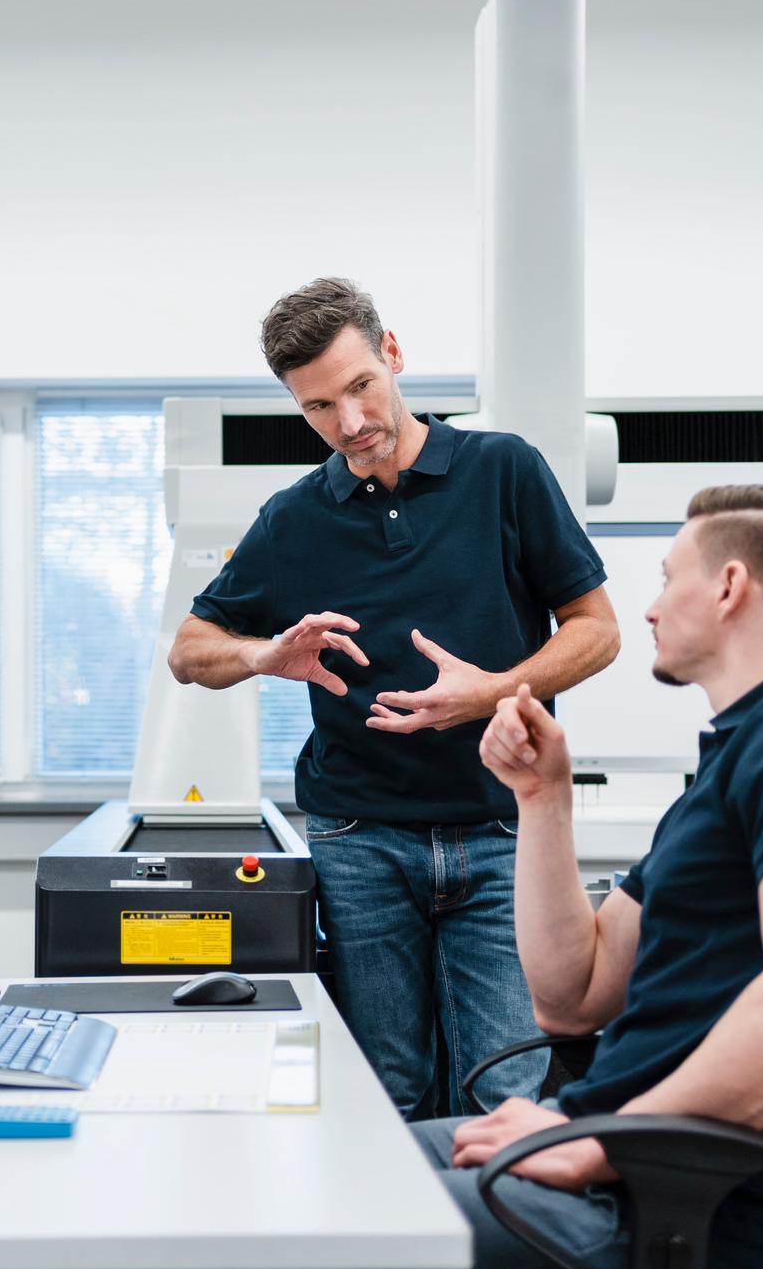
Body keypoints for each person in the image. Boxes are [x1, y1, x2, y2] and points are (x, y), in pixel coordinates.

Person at [167, 276, 619, 1117]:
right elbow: (189, 652)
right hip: (359, 841)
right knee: (384, 1096)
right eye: (318, 408)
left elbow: (597, 629)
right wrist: (267, 654)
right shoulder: (292, 518)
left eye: (361, 387)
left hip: (499, 832)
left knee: (506, 1095)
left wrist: (494, 690)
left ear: (394, 355)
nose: (348, 424)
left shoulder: (503, 471)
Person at [414, 483, 763, 1269]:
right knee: (340, 1166)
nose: (648, 610)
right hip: (614, 1153)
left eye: (665, 577)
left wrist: (598, 1143)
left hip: (666, 1204)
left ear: (728, 587)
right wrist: (544, 798)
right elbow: (570, 996)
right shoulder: (737, 759)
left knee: (318, 1220)